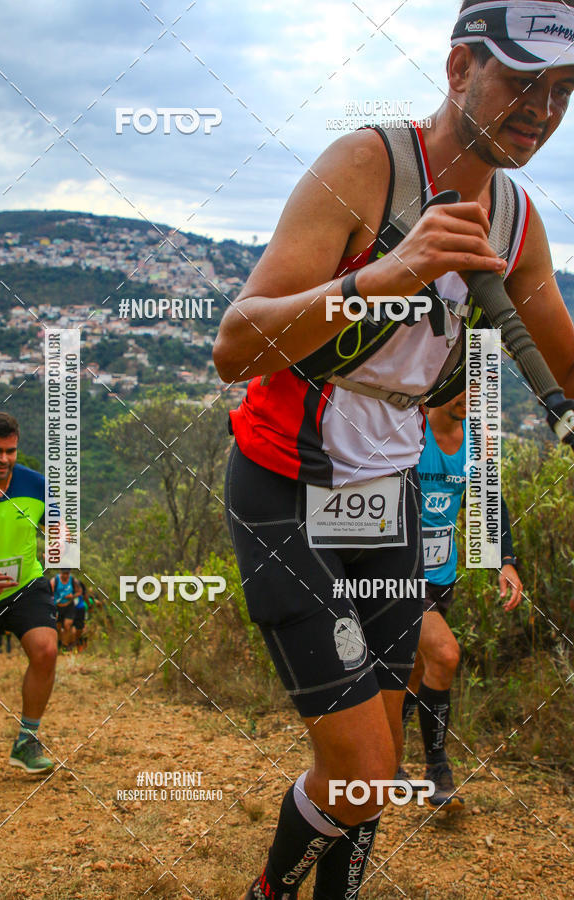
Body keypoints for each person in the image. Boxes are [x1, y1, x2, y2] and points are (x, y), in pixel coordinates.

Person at [213, 2, 574, 897]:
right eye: (521, 81)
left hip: (390, 494)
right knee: (367, 770)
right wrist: (383, 276)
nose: (541, 108)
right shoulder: (367, 165)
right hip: (284, 484)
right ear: (459, 70)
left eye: (563, 92)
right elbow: (235, 348)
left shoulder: (519, 222)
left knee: (374, 767)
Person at [398, 391, 523, 810]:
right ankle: (437, 770)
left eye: (472, 388)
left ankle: (388, 760)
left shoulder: (476, 441)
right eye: (455, 386)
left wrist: (505, 561)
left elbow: (491, 501)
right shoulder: (411, 433)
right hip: (401, 575)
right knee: (446, 655)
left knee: (416, 667)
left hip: (442, 575)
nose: (465, 397)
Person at [0, 412, 56, 778]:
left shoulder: (35, 484)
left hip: (24, 585)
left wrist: (60, 538)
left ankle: (27, 740)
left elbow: (57, 525)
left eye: (10, 451)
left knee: (46, 650)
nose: (4, 459)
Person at [50, 569, 81, 650]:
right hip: (58, 606)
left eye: (67, 574)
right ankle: (59, 643)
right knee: (58, 627)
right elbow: (50, 593)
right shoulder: (54, 581)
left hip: (69, 606)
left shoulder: (73, 580)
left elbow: (79, 592)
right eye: (64, 573)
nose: (66, 576)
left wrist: (72, 596)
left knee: (67, 625)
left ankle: (66, 644)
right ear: (60, 572)